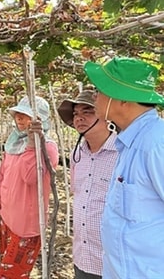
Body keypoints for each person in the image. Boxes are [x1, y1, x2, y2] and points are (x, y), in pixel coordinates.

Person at [84, 57, 164, 278]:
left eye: (99, 90)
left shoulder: (155, 145)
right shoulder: (131, 143)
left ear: (121, 99)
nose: (95, 97)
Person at [0, 95, 59, 279]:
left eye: (26, 116)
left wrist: (33, 144)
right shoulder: (13, 144)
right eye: (18, 114)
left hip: (26, 229)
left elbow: (30, 177)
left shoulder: (47, 147)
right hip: (7, 221)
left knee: (9, 276)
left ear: (40, 121)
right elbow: (2, 179)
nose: (19, 118)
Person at [57, 87, 118, 279]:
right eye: (76, 113)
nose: (79, 118)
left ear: (107, 116)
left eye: (88, 111)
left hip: (114, 263)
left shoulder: (124, 155)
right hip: (83, 258)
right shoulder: (77, 155)